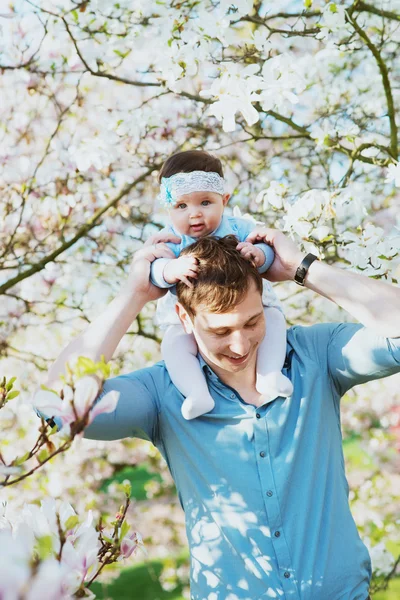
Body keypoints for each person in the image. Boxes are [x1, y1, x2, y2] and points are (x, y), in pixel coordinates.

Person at [38, 228, 400, 600]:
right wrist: (134, 295)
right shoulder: (163, 394)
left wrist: (301, 267)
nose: (240, 344)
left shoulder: (316, 355)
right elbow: (57, 407)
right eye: (220, 330)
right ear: (184, 318)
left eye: (252, 322)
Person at [149, 150, 292, 419]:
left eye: (205, 202)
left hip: (247, 303)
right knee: (174, 344)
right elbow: (153, 270)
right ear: (169, 209)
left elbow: (266, 249)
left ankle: (269, 375)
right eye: (182, 206)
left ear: (223, 200)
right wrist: (170, 269)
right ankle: (197, 393)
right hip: (188, 317)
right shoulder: (170, 240)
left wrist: (259, 255)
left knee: (272, 319)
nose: (195, 215)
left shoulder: (238, 228)